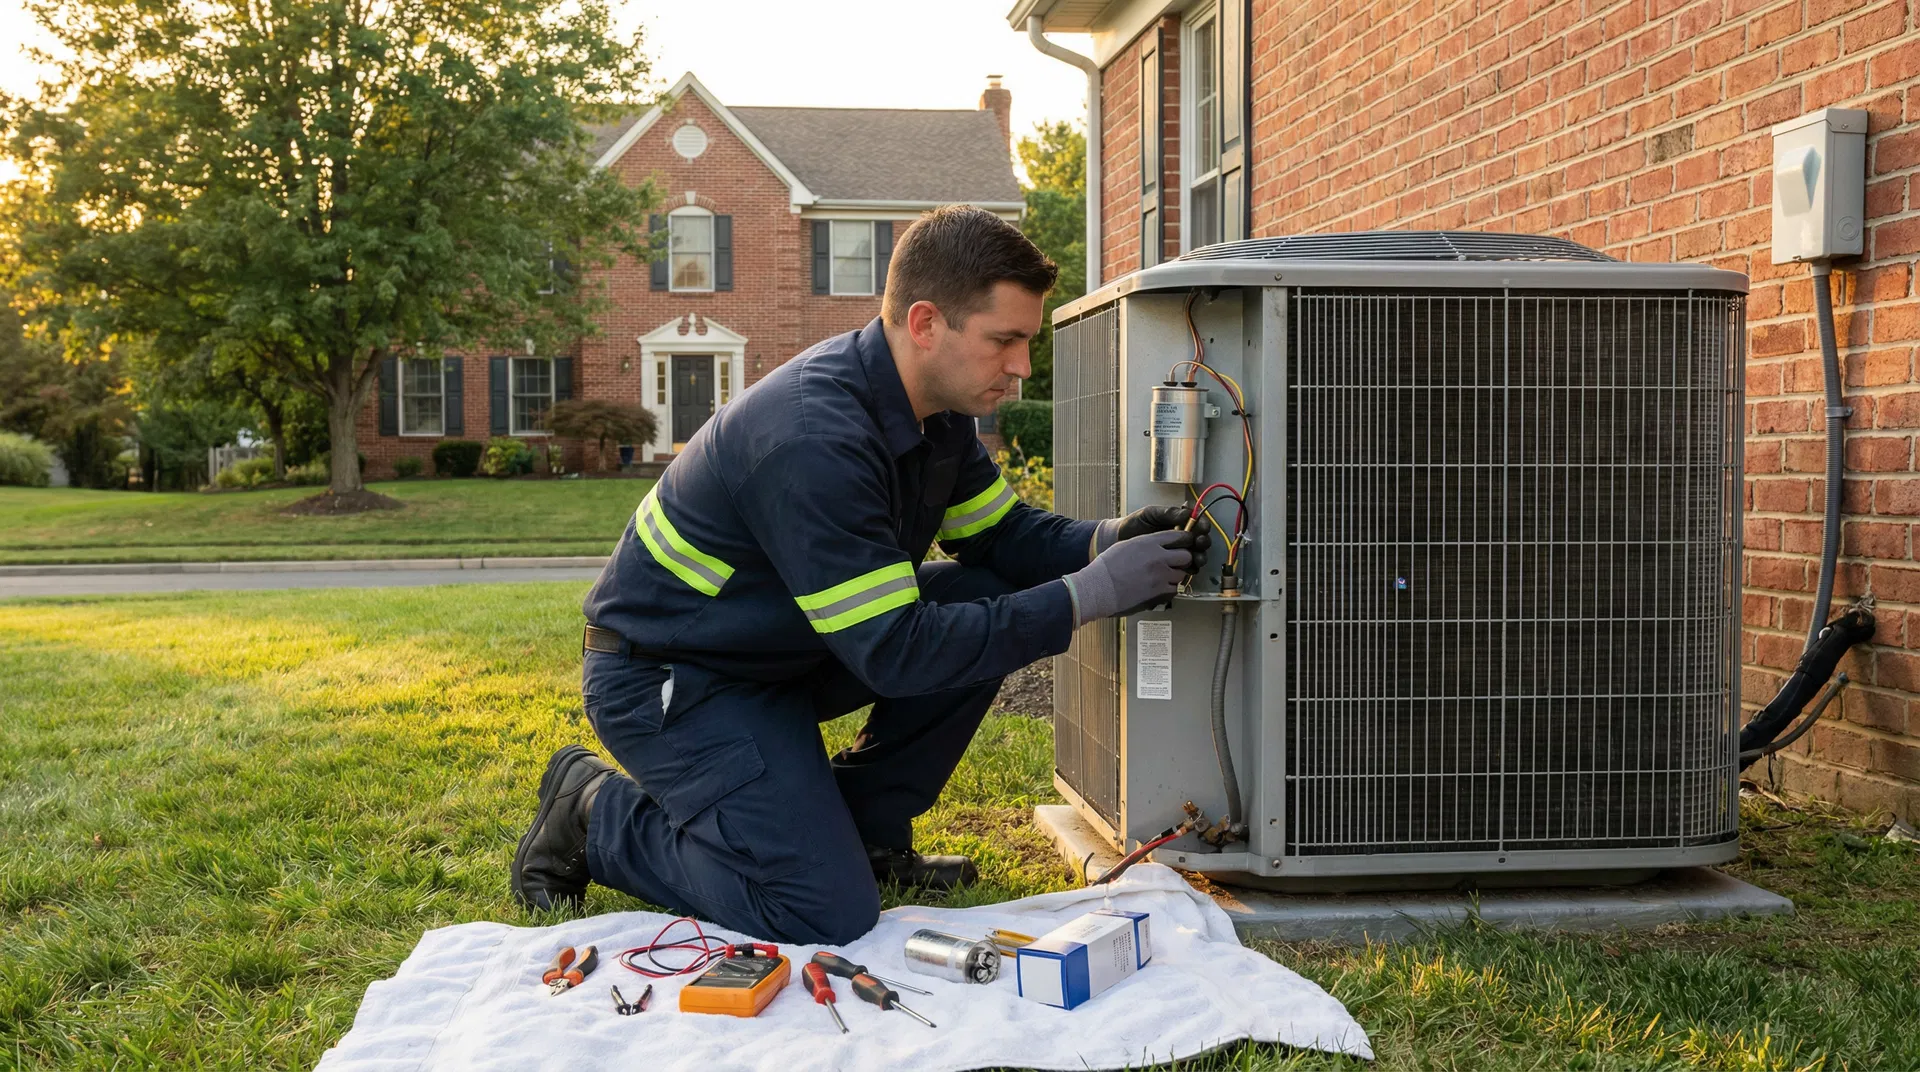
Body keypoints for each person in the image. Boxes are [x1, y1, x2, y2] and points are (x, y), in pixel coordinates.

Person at [510, 206, 1208, 943]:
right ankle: (594, 812)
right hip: (671, 681)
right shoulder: (815, 438)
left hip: (778, 652)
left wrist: (1108, 539)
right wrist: (1095, 591)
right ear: (926, 322)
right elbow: (898, 653)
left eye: (1026, 342)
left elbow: (1001, 537)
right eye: (1005, 340)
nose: (1022, 368)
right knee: (821, 909)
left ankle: (867, 834)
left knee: (985, 592)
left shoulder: (934, 414)